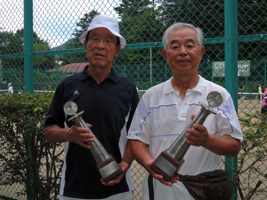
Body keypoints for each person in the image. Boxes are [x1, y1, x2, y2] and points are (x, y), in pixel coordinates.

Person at [127, 22, 243, 200]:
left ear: (201, 52)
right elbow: (136, 139)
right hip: (160, 192)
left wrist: (206, 140)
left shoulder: (220, 95)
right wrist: (149, 163)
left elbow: (234, 146)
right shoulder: (151, 96)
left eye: (190, 45)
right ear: (165, 54)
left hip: (203, 192)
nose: (183, 52)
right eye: (175, 46)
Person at [44, 14, 139, 200]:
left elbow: (135, 136)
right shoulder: (67, 85)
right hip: (73, 188)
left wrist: (125, 165)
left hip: (118, 188)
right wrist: (67, 134)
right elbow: (49, 129)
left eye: (109, 41)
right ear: (86, 44)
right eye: (95, 39)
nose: (101, 46)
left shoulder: (128, 88)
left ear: (117, 49)